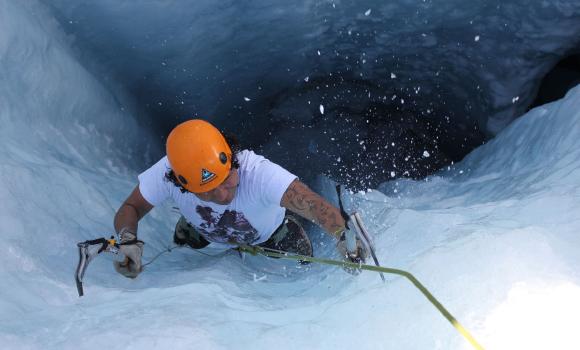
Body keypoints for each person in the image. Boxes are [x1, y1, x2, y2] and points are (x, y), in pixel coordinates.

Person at [112, 119, 366, 278]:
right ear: (180, 184)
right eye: (209, 191)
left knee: (303, 265)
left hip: (271, 235)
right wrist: (127, 243)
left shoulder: (260, 174)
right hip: (205, 231)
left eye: (226, 179)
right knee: (187, 240)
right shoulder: (169, 172)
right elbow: (131, 207)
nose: (223, 195)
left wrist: (344, 235)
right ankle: (194, 231)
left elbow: (314, 205)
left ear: (232, 161)